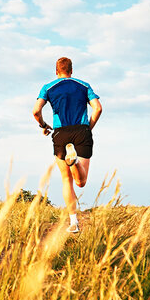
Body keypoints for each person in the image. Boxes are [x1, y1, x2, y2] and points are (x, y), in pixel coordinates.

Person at [32, 57, 102, 233]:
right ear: (71, 71)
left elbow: (36, 111)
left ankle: (73, 222)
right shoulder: (84, 85)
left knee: (66, 180)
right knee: (81, 182)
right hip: (81, 131)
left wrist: (43, 125)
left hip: (60, 134)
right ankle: (75, 162)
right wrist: (88, 128)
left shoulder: (48, 87)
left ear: (56, 71)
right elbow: (98, 108)